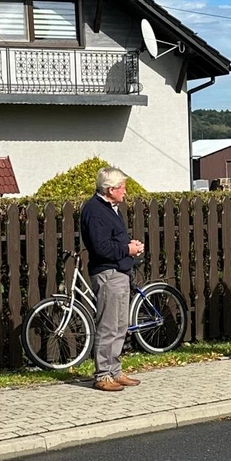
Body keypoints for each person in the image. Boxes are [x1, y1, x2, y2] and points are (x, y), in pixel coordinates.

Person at [79, 167, 145, 391]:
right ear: (110, 189)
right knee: (108, 325)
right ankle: (103, 374)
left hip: (119, 272)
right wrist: (127, 249)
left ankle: (114, 370)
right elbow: (101, 247)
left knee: (120, 324)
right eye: (122, 187)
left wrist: (129, 247)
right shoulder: (95, 210)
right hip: (108, 273)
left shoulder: (110, 208)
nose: (125, 191)